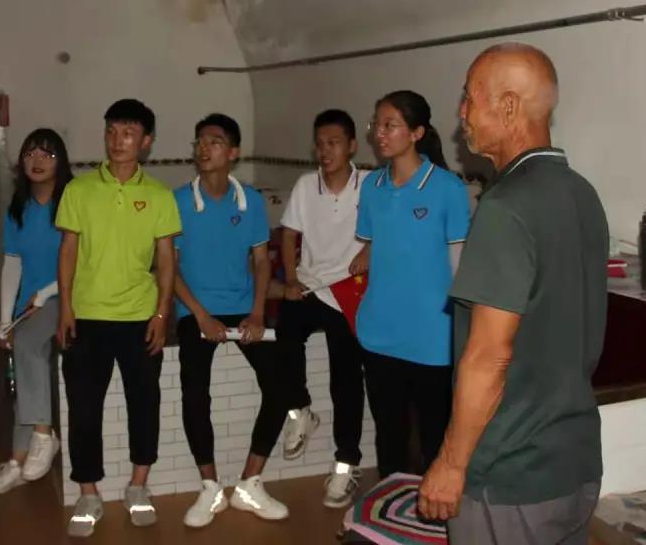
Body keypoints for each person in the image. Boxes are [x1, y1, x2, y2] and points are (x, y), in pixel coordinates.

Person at [418, 43, 608, 545]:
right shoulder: (582, 192)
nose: (461, 112)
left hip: (509, 477)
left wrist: (451, 463)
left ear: (508, 107)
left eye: (470, 97)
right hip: (574, 463)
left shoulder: (505, 208)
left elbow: (489, 357)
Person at [56, 99, 181, 538]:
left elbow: (166, 260)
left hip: (140, 318)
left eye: (128, 132)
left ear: (146, 141)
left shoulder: (160, 196)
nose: (117, 140)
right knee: (83, 409)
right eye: (111, 131)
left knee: (144, 405)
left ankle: (138, 486)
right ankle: (88, 493)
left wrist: (162, 313)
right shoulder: (79, 190)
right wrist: (65, 307)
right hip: (86, 317)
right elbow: (68, 250)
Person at [173, 114, 289, 527]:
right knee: (194, 392)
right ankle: (210, 488)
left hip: (242, 307)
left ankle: (249, 483)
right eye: (200, 141)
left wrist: (257, 312)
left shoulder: (250, 201)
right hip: (194, 310)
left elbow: (262, 261)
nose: (204, 148)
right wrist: (201, 316)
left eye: (215, 141)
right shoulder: (179, 201)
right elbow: (168, 267)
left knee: (279, 386)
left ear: (234, 152)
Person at [356, 91, 470, 479]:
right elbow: (377, 245)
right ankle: (391, 510)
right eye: (376, 125)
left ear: (417, 133)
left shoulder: (448, 188)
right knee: (389, 437)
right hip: (379, 334)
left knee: (435, 439)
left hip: (432, 336)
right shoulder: (371, 186)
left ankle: (434, 512)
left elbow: (458, 264)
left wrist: (464, 328)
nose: (379, 133)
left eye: (390, 125)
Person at [277, 108, 369, 509]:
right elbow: (288, 235)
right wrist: (291, 279)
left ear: (352, 146)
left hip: (349, 290)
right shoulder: (305, 185)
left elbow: (388, 229)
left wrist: (369, 251)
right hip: (312, 284)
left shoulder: (369, 185)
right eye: (320, 144)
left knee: (345, 378)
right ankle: (299, 410)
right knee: (285, 333)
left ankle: (346, 464)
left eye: (333, 143)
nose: (325, 151)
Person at [0, 128, 72, 495]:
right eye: (30, 153)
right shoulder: (18, 209)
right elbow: (12, 265)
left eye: (47, 154)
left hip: (66, 297)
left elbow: (82, 261)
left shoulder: (72, 203)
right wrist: (5, 320)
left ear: (61, 163)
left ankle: (43, 434)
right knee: (25, 371)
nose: (37, 160)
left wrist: (47, 293)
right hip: (30, 306)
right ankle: (18, 462)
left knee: (29, 347)